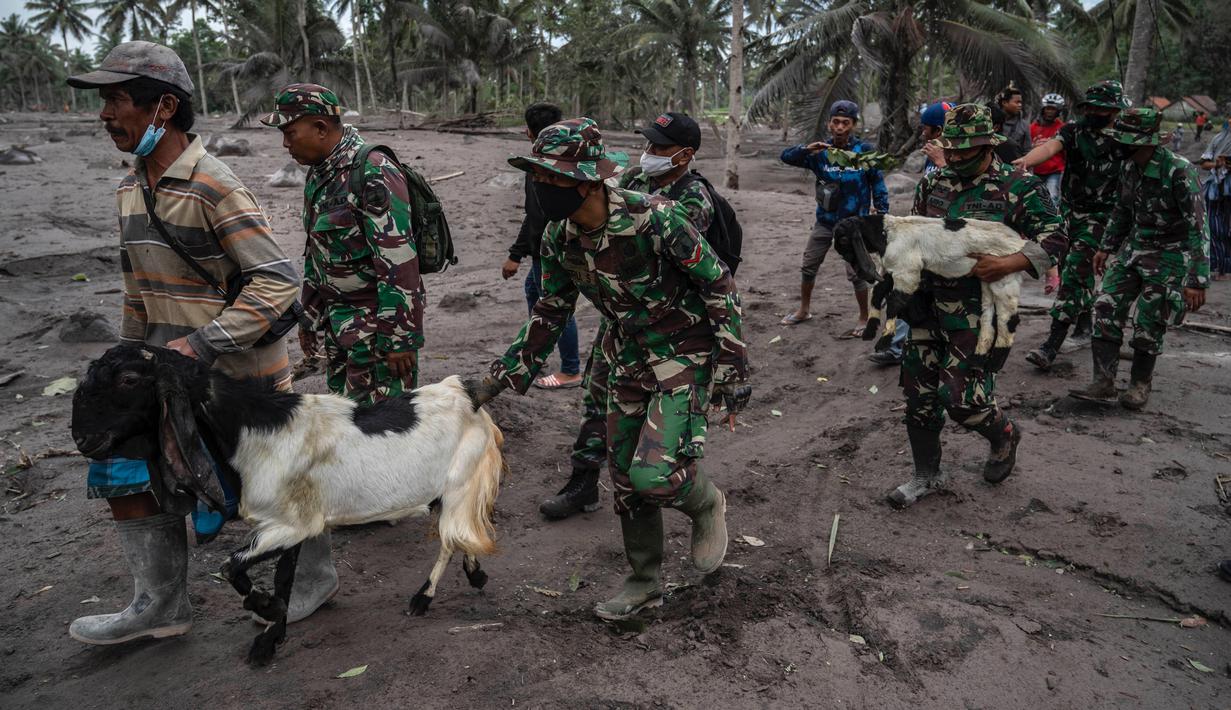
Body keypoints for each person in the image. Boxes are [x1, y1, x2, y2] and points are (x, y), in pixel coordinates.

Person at [63, 42, 334, 644]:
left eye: (115, 100)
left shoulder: (216, 184)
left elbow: (277, 280)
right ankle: (159, 604)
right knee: (127, 468)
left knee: (275, 484)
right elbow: (138, 289)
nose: (105, 114)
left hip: (237, 372)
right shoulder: (130, 190)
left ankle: (314, 579)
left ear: (163, 106)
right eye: (104, 101)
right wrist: (129, 360)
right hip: (162, 368)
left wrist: (203, 344)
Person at [479, 118, 750, 620]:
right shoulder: (559, 238)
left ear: (586, 180)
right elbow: (549, 313)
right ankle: (644, 581)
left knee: (655, 477)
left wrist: (734, 365)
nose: (541, 188)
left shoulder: (657, 218)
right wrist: (493, 382)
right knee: (625, 477)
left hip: (683, 350)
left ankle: (706, 501)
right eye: (537, 177)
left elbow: (718, 284)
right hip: (625, 352)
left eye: (551, 178)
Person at [539, 111, 720, 520]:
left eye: (660, 147)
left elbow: (679, 271)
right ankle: (584, 479)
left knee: (655, 422)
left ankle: (667, 472)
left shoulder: (692, 199)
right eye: (648, 144)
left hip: (670, 329)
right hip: (620, 320)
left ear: (684, 155)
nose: (649, 153)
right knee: (596, 394)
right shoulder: (636, 181)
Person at [890, 104, 1066, 509]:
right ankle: (926, 475)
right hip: (927, 305)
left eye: (962, 151)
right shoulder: (934, 182)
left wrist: (1011, 261)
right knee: (919, 395)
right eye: (948, 150)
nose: (952, 158)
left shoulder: (1018, 185)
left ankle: (1004, 435)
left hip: (980, 311)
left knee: (962, 400)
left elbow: (1057, 239)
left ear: (988, 146)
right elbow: (915, 232)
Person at [262, 84, 424, 405]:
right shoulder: (321, 173)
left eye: (290, 132)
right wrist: (309, 317)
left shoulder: (373, 170)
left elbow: (399, 262)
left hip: (376, 331)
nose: (285, 143)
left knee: (382, 430)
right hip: (340, 327)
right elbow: (317, 252)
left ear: (320, 128)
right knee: (347, 422)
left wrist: (400, 338)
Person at [1070, 108, 1210, 410]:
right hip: (1133, 249)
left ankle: (1139, 384)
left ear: (1145, 142)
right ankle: (1103, 381)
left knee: (1150, 320)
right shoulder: (1129, 168)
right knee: (1106, 305)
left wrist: (1197, 279)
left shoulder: (1179, 171)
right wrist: (1106, 247)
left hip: (1170, 255)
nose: (1117, 145)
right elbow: (1122, 210)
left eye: (1124, 140)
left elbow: (1198, 227)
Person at [1015, 80, 1130, 370]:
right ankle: (1083, 326)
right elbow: (1052, 147)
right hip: (1068, 213)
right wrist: (1024, 163)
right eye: (1090, 106)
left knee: (1077, 272)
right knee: (1071, 270)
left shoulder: (1125, 137)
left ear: (1114, 110)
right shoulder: (1074, 130)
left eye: (1101, 108)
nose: (1094, 112)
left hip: (1101, 218)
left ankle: (1051, 345)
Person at [779, 100, 889, 332]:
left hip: (854, 224)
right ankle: (804, 310)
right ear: (829, 124)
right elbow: (786, 157)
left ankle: (864, 317)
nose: (840, 127)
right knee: (809, 265)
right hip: (825, 221)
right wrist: (806, 150)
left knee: (857, 273)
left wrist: (882, 212)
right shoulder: (820, 152)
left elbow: (877, 182)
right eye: (836, 122)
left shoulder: (864, 151)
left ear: (854, 125)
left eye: (845, 123)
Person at [503, 102, 583, 389]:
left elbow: (537, 216)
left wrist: (516, 254)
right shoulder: (553, 165)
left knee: (555, 307)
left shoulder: (547, 168)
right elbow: (534, 215)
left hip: (550, 252)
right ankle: (539, 354)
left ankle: (570, 369)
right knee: (534, 293)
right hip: (545, 248)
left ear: (528, 131)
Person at [868, 102, 952, 368]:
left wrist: (942, 164)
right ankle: (896, 346)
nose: (922, 132)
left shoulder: (956, 157)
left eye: (926, 128)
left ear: (938, 130)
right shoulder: (932, 154)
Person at [1200, 148, 1231, 280]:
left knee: (1224, 233)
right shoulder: (1219, 142)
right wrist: (1217, 165)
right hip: (1216, 200)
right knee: (1215, 231)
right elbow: (1204, 164)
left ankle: (1224, 271)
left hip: (1225, 200)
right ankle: (1220, 269)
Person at [1030, 93, 1067, 205]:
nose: (1050, 112)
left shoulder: (1062, 128)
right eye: (1048, 109)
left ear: (1058, 111)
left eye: (1053, 109)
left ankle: (1053, 221)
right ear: (1043, 109)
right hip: (1036, 170)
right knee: (1034, 198)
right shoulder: (1033, 128)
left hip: (1054, 171)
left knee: (1052, 198)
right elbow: (1026, 147)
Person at [997, 84, 1032, 156]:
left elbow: (1027, 151)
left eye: (1020, 102)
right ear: (1004, 103)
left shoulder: (1024, 125)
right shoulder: (991, 121)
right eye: (1017, 102)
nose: (1020, 105)